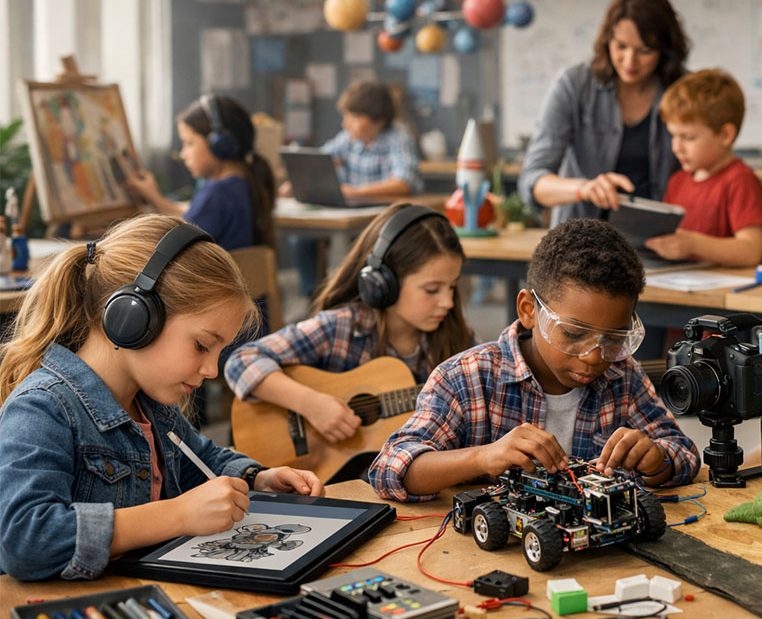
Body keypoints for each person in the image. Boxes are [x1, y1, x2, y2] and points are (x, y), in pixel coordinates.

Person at [0, 215, 323, 581]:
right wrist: (178, 515)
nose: (212, 371)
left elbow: (198, 458)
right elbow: (24, 540)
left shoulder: (151, 405)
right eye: (202, 345)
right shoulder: (42, 408)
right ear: (132, 318)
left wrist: (257, 477)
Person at [368, 218, 700, 503]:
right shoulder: (466, 379)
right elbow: (390, 468)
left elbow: (684, 454)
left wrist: (657, 461)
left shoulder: (622, 376)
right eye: (572, 334)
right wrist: (483, 457)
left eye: (613, 339)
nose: (594, 356)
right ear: (529, 310)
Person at [225, 203, 474, 450]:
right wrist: (311, 404)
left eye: (452, 286)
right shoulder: (341, 328)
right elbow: (241, 360)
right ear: (383, 282)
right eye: (432, 289)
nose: (447, 302)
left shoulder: (457, 340)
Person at [518, 0, 689, 226]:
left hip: (656, 243)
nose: (630, 61)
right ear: (607, 40)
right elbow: (532, 182)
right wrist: (584, 189)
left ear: (665, 50)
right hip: (580, 242)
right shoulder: (574, 85)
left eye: (644, 50)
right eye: (620, 46)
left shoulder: (683, 91)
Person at [287, 81, 422, 297]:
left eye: (354, 117)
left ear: (377, 120)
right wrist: (298, 182)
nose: (345, 124)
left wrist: (355, 191)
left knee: (358, 248)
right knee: (302, 239)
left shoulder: (397, 137)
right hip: (348, 212)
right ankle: (314, 296)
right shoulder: (349, 139)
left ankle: (353, 296)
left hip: (380, 217)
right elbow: (321, 160)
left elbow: (403, 182)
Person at [645, 69, 762, 266]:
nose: (676, 147)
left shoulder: (740, 180)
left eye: (688, 137)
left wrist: (693, 244)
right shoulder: (678, 181)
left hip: (724, 293)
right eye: (673, 135)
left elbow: (751, 251)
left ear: (725, 135)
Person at [127, 95, 276, 251]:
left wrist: (152, 199)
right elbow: (189, 221)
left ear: (219, 144)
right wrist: (154, 197)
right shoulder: (242, 183)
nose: (183, 154)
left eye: (189, 143)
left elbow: (180, 238)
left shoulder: (218, 193)